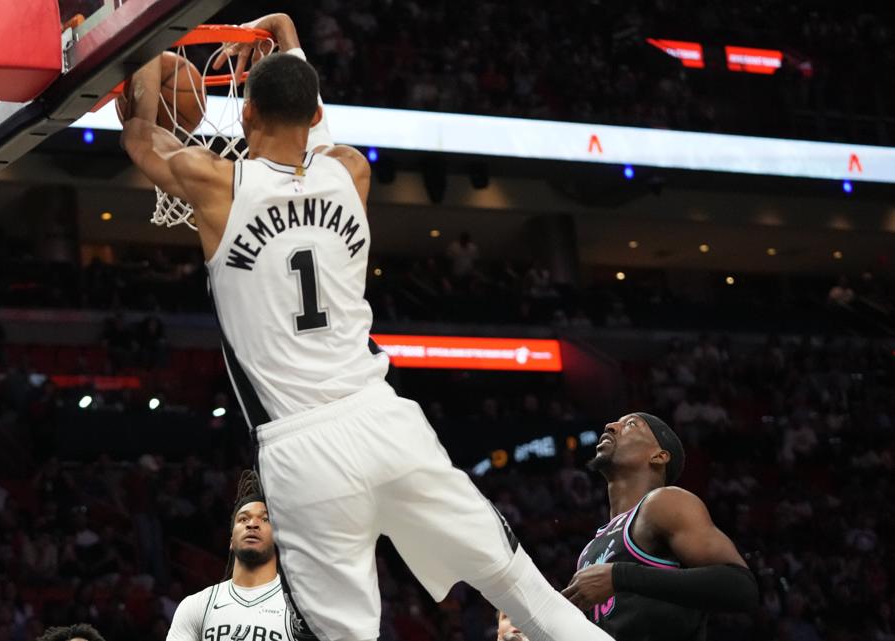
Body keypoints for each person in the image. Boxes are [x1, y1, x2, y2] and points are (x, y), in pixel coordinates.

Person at [117, 12, 611, 641]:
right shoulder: (350, 171)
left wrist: (140, 62)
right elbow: (314, 121)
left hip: (302, 449)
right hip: (387, 421)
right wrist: (286, 34)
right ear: (314, 113)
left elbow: (140, 139)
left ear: (246, 115)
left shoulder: (217, 184)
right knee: (524, 590)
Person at [563, 413, 759, 640]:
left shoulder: (664, 503)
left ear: (659, 456)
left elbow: (741, 587)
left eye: (631, 424)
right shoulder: (590, 549)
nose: (610, 426)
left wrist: (620, 576)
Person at [166, 471, 289, 641]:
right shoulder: (197, 606)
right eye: (243, 519)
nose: (252, 524)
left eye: (264, 519)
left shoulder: (298, 611)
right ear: (231, 540)